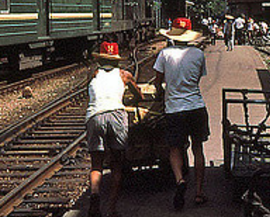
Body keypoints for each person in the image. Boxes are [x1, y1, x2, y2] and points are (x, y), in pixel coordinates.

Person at [153, 18, 209, 210]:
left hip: (174, 109)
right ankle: (199, 193)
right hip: (196, 106)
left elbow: (158, 81)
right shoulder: (198, 54)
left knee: (175, 149)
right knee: (198, 148)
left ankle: (180, 180)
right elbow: (198, 79)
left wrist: (161, 92)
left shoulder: (164, 54)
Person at [86, 41, 144, 217]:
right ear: (117, 60)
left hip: (95, 115)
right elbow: (139, 96)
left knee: (96, 165)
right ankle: (111, 209)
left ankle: (95, 194)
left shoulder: (94, 73)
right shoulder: (124, 74)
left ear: (101, 60)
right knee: (117, 165)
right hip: (117, 116)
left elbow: (89, 92)